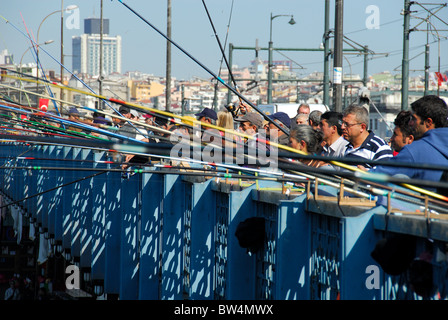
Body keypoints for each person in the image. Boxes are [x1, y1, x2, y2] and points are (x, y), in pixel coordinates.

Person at [370, 95, 448, 194]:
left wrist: (360, 173)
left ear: (428, 122)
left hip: (427, 207)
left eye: (414, 119)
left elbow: (376, 176)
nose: (410, 123)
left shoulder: (415, 151)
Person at [341, 104, 393, 169]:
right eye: (342, 123)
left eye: (347, 124)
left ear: (362, 127)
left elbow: (385, 175)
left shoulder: (380, 148)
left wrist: (367, 174)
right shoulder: (347, 146)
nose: (342, 127)